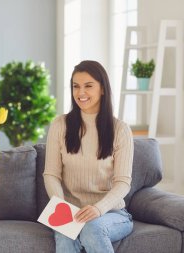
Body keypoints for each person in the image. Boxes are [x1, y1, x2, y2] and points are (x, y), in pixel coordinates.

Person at [43, 60, 134, 253]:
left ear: (102, 89)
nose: (80, 93)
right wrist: (62, 208)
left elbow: (123, 182)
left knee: (91, 228)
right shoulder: (60, 125)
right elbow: (51, 174)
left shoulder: (120, 130)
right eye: (76, 86)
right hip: (69, 210)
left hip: (111, 212)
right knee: (64, 231)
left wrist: (98, 209)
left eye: (88, 86)